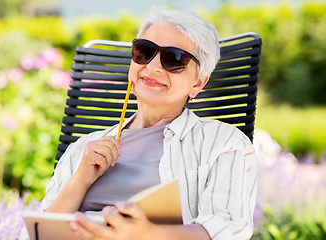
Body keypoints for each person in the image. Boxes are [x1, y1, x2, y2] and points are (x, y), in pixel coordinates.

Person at [20, 8, 257, 240]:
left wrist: (148, 234)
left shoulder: (223, 143)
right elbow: (35, 235)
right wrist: (79, 181)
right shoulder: (84, 149)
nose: (152, 67)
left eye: (174, 59)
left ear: (198, 84)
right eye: (144, 51)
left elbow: (229, 227)